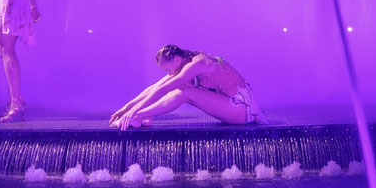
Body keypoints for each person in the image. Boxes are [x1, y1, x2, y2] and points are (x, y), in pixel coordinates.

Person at [110, 45, 265, 131]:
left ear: (177, 59)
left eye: (168, 70)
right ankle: (141, 117)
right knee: (182, 88)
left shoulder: (196, 64)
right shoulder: (185, 63)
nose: (168, 73)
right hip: (234, 108)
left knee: (184, 91)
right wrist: (126, 108)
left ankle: (138, 117)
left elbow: (163, 90)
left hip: (243, 110)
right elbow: (156, 87)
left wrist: (133, 112)